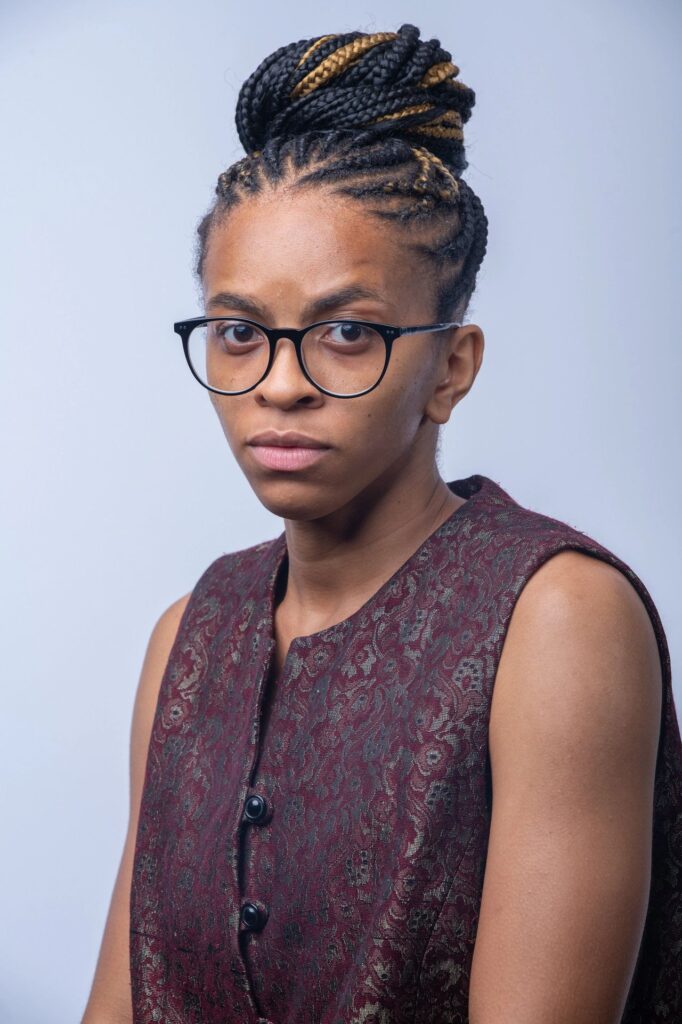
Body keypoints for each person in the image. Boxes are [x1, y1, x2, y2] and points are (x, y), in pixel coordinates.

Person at [82, 23, 681, 1024]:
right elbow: (119, 1002)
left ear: (452, 366)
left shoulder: (555, 619)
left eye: (347, 332)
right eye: (238, 331)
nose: (279, 384)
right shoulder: (187, 637)